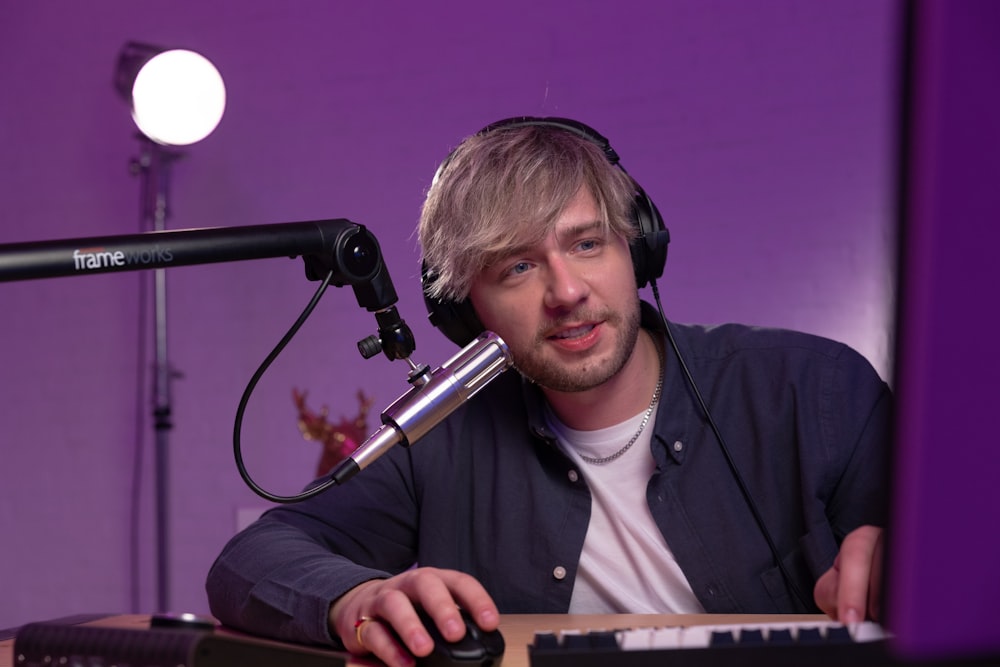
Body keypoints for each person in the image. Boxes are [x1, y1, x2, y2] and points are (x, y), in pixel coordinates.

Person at [206, 117, 890, 667]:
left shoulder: (815, 389)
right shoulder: (442, 435)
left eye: (588, 244)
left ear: (637, 248)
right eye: (519, 266)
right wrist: (359, 597)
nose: (565, 292)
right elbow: (250, 562)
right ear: (467, 311)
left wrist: (910, 557)